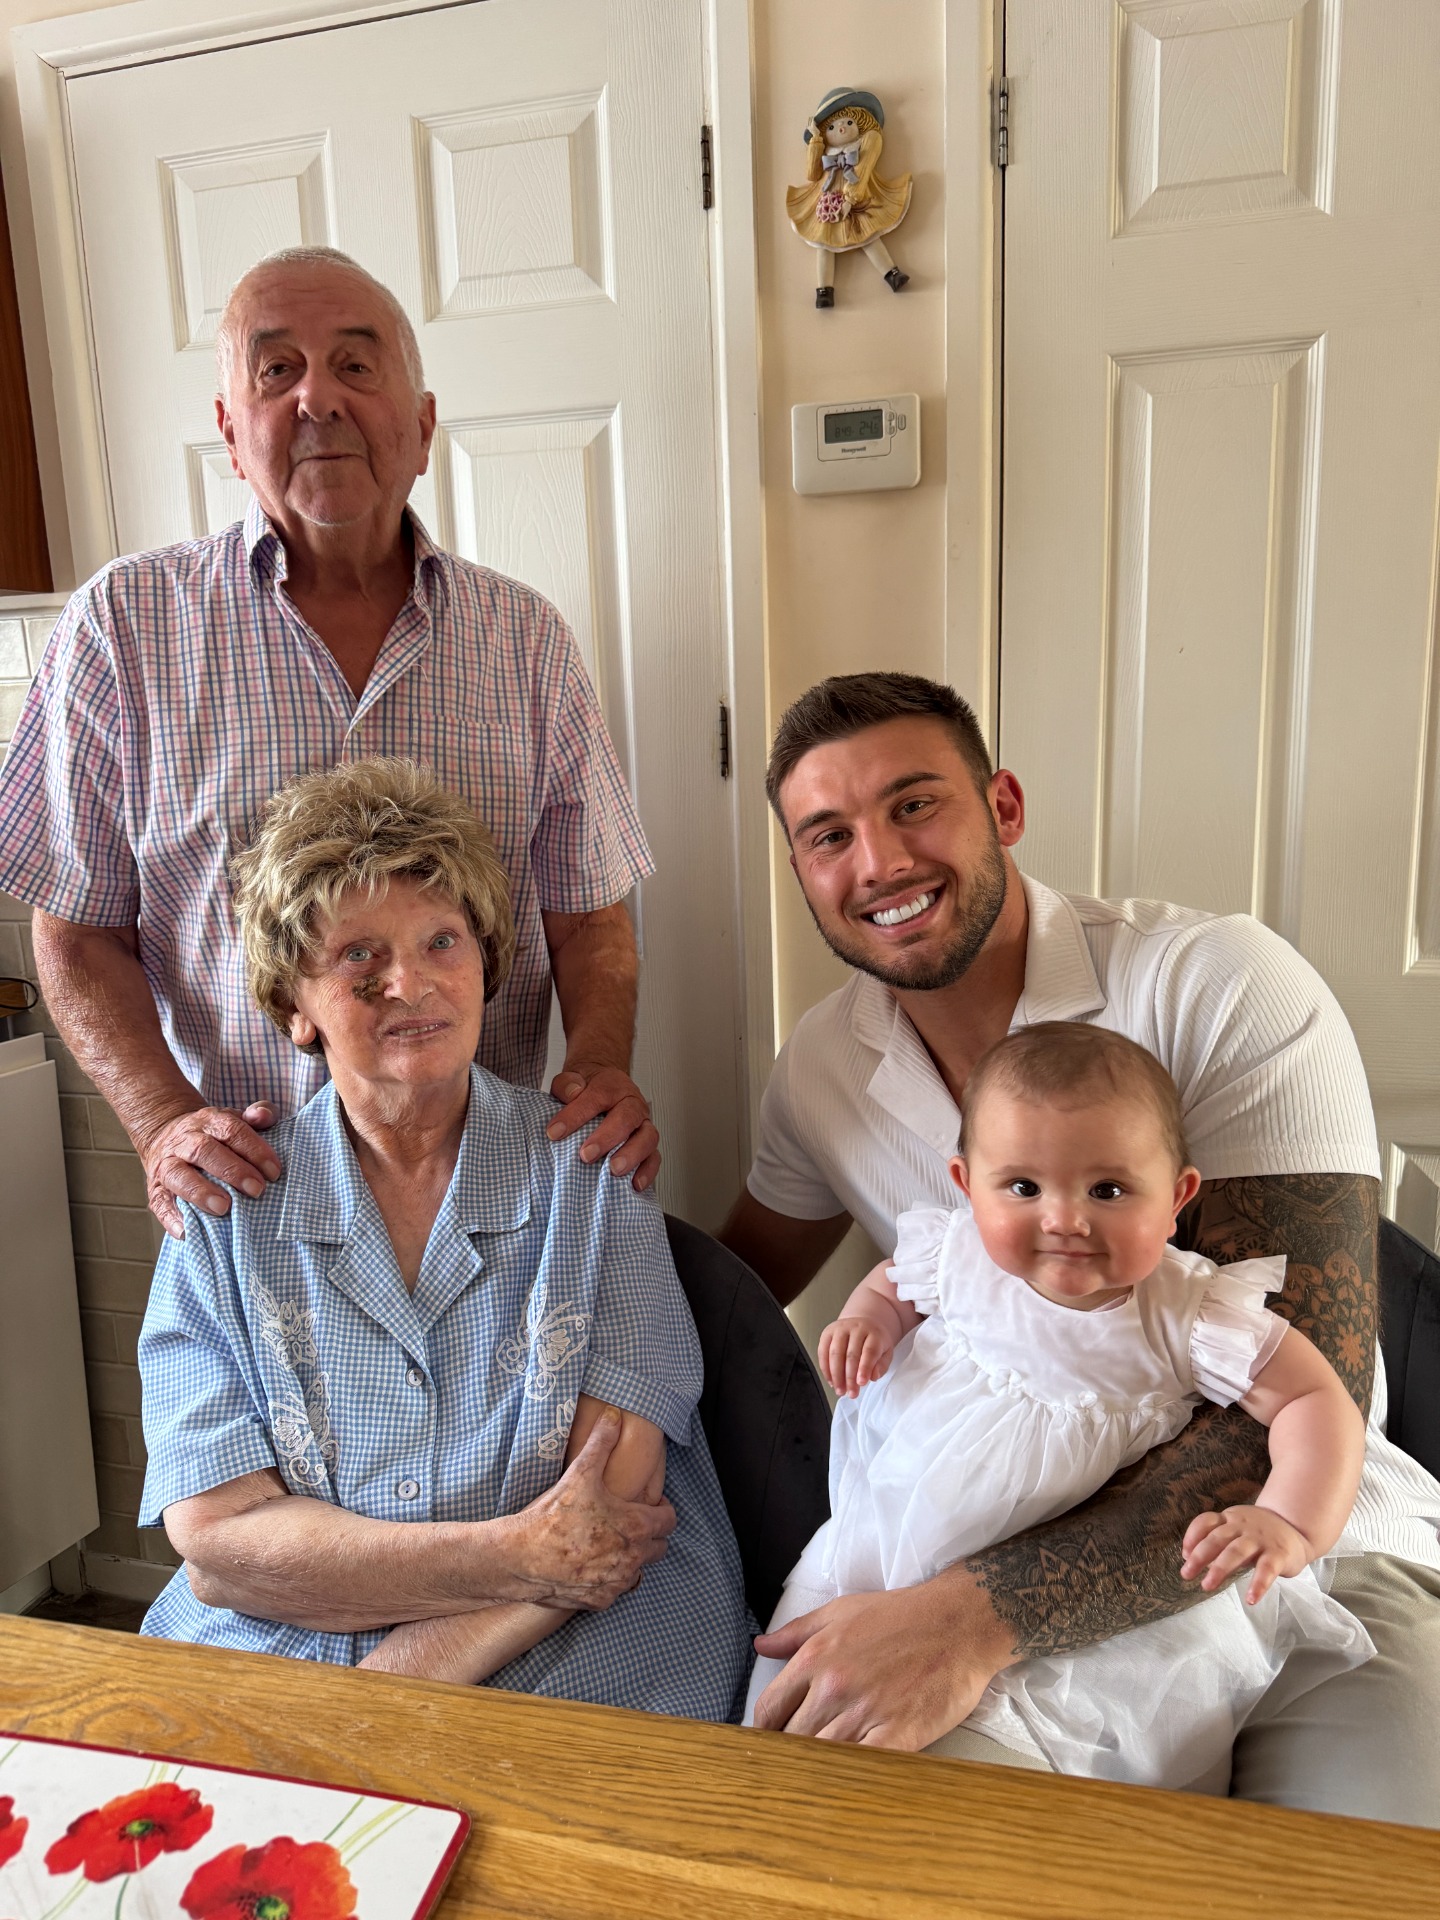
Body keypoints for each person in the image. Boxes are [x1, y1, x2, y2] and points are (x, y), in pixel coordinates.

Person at [722, 670, 1440, 1823]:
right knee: (857, 1841)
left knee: (1370, 1866)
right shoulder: (821, 1067)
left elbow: (1313, 1383)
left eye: (915, 805)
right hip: (964, 1564)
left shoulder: (1219, 986)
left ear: (1003, 806)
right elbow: (739, 1278)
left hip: (1297, 1551)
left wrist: (975, 1618)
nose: (881, 862)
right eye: (829, 835)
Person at [0, 244, 658, 1240]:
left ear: (423, 427)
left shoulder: (524, 639)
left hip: (492, 1201)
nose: (318, 397)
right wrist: (163, 1122)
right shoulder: (120, 630)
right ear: (231, 432)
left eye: (356, 364)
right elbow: (75, 933)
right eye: (277, 370)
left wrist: (600, 1071)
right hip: (246, 1207)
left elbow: (590, 918)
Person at [137, 757, 751, 1717]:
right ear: (295, 1005)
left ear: (484, 965)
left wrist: (380, 1699)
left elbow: (610, 1517)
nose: (409, 983)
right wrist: (516, 1556)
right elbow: (218, 1544)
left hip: (573, 1639)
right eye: (358, 956)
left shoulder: (593, 1170)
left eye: (442, 941)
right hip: (296, 1644)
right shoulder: (223, 1209)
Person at [746, 1022, 1375, 1788]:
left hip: (1061, 1571)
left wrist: (1290, 1521)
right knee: (790, 1683)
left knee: (1082, 1753)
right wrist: (867, 1323)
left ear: (1176, 1197)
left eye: (1107, 1190)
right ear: (966, 1184)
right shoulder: (955, 1254)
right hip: (883, 1532)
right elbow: (892, 1287)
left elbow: (1316, 1398)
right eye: (1023, 1187)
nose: (1064, 1219)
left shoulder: (1188, 1314)